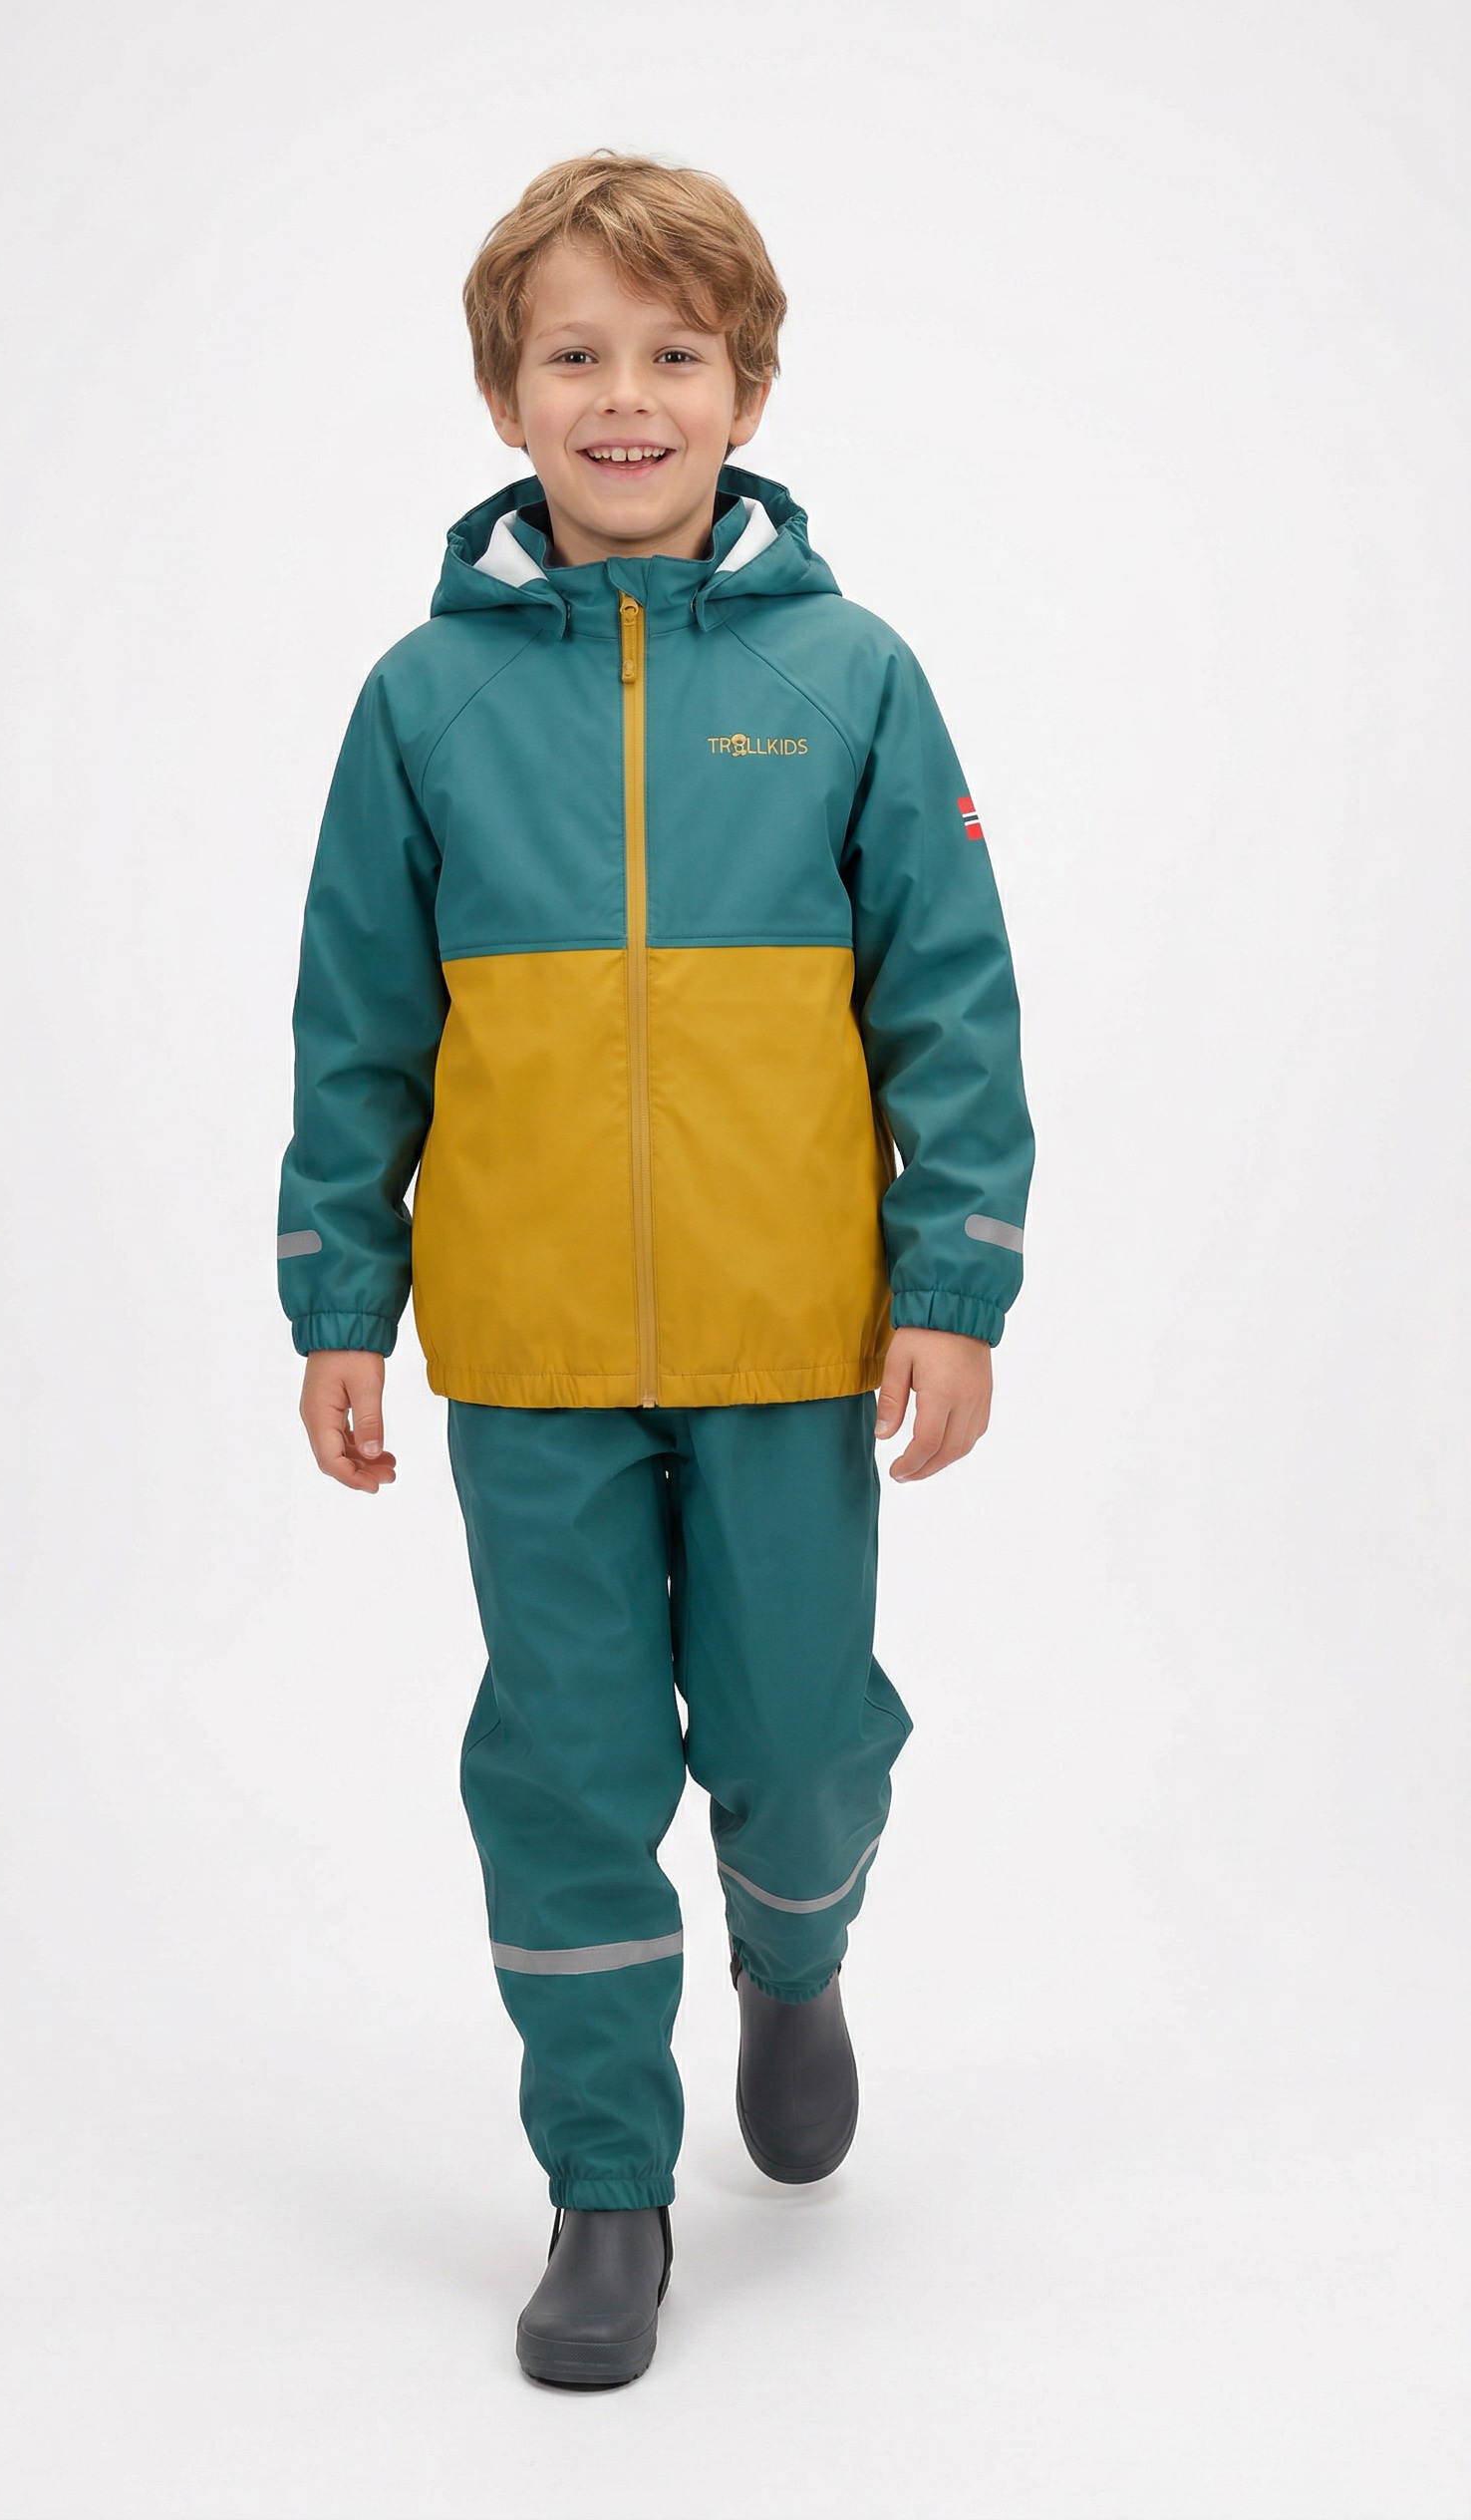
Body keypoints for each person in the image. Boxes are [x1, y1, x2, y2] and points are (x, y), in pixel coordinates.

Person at [276, 151, 1033, 2389]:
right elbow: (355, 1025)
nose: (625, 399)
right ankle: (606, 2180)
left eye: (673, 355)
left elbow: (950, 998)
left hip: (791, 1338)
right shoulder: (422, 701)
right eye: (575, 356)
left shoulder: (849, 675)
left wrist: (953, 1279)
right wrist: (338, 1302)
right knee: (566, 1764)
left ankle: (792, 1960)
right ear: (506, 397)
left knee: (797, 1742)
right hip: (526, 1354)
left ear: (748, 388)